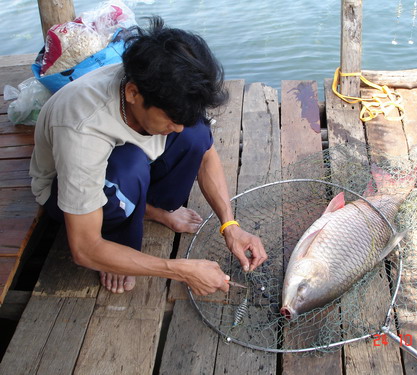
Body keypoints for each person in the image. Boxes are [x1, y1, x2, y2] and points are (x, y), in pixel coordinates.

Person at [29, 16, 267, 295]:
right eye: (171, 119)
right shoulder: (82, 128)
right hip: (65, 192)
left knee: (195, 134)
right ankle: (118, 244)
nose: (176, 127)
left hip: (127, 166)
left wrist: (230, 226)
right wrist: (180, 269)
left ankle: (151, 210)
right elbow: (83, 248)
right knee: (127, 166)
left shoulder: (162, 89)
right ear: (132, 93)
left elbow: (206, 154)